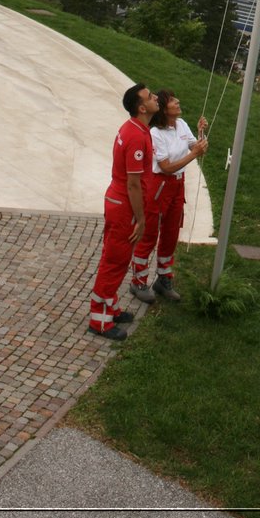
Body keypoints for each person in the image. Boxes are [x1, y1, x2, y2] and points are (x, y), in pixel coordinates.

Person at [88, 81, 159, 340]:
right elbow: (133, 183)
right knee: (114, 262)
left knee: (117, 258)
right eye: (150, 97)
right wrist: (140, 218)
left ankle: (112, 307)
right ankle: (100, 320)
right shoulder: (137, 135)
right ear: (142, 107)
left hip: (118, 203)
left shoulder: (134, 128)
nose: (155, 98)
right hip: (124, 207)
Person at [130, 90, 208, 303]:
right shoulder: (155, 133)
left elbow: (195, 146)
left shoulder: (181, 124)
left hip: (177, 186)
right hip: (159, 186)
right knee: (149, 234)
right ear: (165, 109)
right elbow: (165, 167)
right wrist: (194, 155)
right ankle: (138, 280)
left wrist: (201, 137)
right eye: (174, 100)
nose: (178, 102)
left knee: (171, 232)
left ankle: (164, 278)